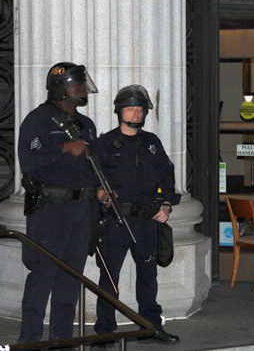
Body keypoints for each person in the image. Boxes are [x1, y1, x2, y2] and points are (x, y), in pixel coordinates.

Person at [92, 84, 181, 347]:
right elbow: (92, 177)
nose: (136, 114)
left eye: (140, 109)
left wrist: (166, 204)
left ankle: (150, 327)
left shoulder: (151, 142)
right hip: (116, 221)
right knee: (109, 279)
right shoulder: (104, 143)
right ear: (120, 111)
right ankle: (104, 331)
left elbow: (167, 174)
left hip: (147, 220)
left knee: (148, 276)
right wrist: (100, 194)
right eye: (131, 109)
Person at [18, 62, 99, 343]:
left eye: (82, 83)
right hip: (50, 210)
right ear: (59, 88)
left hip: (79, 210)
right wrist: (62, 148)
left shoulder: (85, 125)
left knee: (70, 279)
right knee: (43, 276)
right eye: (76, 84)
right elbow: (29, 163)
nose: (81, 88)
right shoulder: (38, 120)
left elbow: (93, 168)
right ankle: (28, 341)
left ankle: (61, 341)